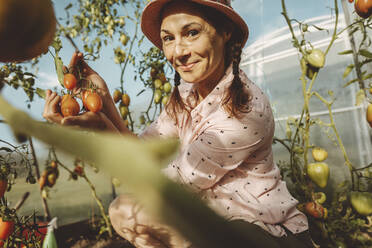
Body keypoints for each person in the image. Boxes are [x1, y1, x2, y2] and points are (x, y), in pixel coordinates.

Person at [43, 0, 313, 247]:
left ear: (225, 31)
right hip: (212, 226)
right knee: (123, 211)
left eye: (192, 32)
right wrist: (103, 101)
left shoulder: (244, 111)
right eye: (169, 38)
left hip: (262, 234)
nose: (178, 52)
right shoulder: (187, 96)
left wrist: (101, 127)